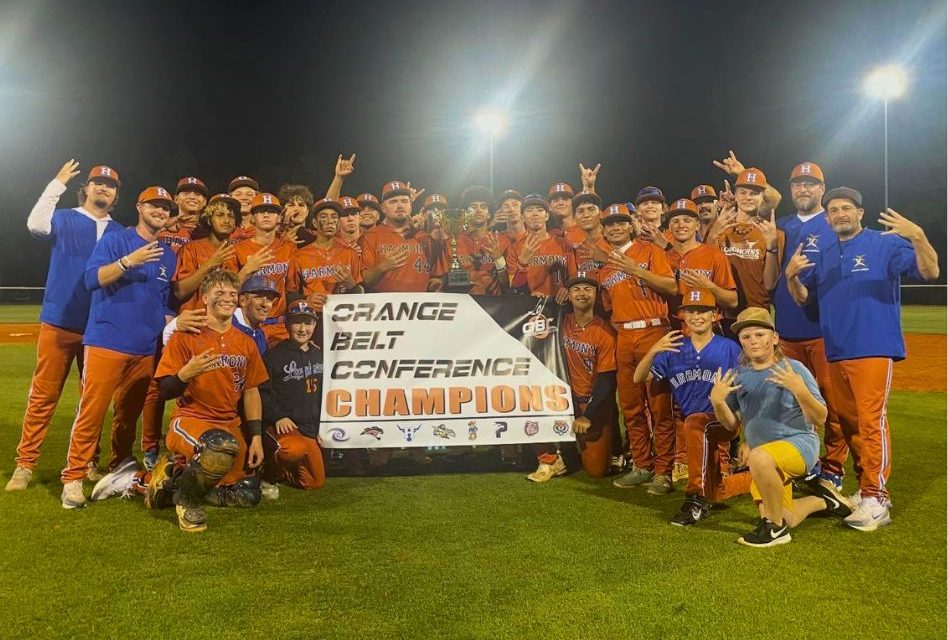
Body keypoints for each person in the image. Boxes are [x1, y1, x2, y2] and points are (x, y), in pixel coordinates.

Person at [785, 187, 939, 531]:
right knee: (848, 421)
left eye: (846, 208)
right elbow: (803, 298)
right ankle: (864, 490)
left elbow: (929, 272)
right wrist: (791, 276)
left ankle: (877, 498)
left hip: (872, 345)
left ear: (860, 213)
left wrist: (919, 236)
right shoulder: (825, 254)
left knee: (871, 420)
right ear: (827, 218)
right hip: (837, 349)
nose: (840, 214)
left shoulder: (883, 243)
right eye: (834, 210)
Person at [6, 161, 123, 491]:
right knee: (44, 396)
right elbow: (35, 224)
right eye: (97, 183)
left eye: (110, 185)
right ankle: (25, 464)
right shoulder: (65, 217)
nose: (103, 188)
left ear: (116, 194)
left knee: (94, 400)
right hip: (59, 322)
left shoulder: (120, 232)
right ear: (85, 188)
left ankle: (88, 462)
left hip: (99, 328)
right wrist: (56, 183)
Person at [59, 186, 178, 509]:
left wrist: (175, 324)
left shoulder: (169, 254)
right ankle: (73, 477)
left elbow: (162, 300)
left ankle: (119, 468)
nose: (160, 211)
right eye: (154, 205)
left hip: (144, 347)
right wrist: (128, 261)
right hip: (107, 340)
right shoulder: (116, 240)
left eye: (166, 207)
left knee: (128, 416)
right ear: (140, 207)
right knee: (92, 412)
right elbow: (92, 279)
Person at [709, 307, 851, 547]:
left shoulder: (793, 369)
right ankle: (823, 501)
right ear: (741, 341)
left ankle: (775, 530)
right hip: (763, 460)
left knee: (759, 458)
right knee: (788, 515)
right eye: (746, 337)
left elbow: (820, 418)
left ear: (774, 338)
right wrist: (717, 402)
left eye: (760, 335)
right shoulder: (737, 375)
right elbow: (731, 426)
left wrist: (800, 390)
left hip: (799, 446)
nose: (753, 341)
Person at [150, 269, 269, 532]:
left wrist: (256, 437)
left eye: (231, 294)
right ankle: (187, 500)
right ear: (204, 297)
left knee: (248, 495)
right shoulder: (186, 336)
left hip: (229, 424)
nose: (227, 298)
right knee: (218, 447)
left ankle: (172, 481)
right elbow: (165, 391)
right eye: (219, 293)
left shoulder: (245, 343)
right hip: (191, 421)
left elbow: (251, 391)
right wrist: (185, 374)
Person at [633, 288, 748, 520]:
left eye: (703, 311)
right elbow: (638, 378)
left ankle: (695, 498)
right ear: (683, 315)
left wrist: (750, 437)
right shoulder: (674, 348)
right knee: (718, 488)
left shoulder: (729, 348)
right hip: (694, 427)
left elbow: (748, 391)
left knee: (696, 423)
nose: (697, 317)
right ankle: (772, 474)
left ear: (715, 315)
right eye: (691, 311)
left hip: (724, 420)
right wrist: (654, 350)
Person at [771, 162, 847, 491]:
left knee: (831, 403)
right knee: (792, 404)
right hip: (786, 330)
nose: (803, 189)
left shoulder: (833, 223)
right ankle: (807, 461)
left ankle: (833, 467)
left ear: (822, 187)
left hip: (822, 331)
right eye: (797, 184)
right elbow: (762, 199)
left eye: (810, 183)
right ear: (790, 190)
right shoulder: (781, 225)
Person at [597, 204, 677, 494]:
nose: (615, 228)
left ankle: (664, 471)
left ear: (631, 226)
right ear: (603, 230)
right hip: (624, 337)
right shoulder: (604, 266)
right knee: (630, 406)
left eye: (620, 222)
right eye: (610, 224)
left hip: (654, 330)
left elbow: (671, 286)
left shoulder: (650, 251)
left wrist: (635, 270)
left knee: (659, 406)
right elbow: (608, 307)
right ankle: (642, 465)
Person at [527, 274, 617, 482]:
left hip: (588, 403)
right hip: (557, 399)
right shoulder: (558, 320)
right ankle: (550, 458)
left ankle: (575, 452)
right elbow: (530, 316)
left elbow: (606, 380)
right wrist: (537, 299)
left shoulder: (605, 332)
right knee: (530, 405)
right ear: (568, 294)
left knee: (596, 471)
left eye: (588, 289)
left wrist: (589, 415)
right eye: (576, 289)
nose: (582, 294)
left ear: (596, 295)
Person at [259, 300, 326, 491]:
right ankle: (268, 473)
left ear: (315, 325)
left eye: (308, 322)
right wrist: (277, 416)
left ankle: (284, 473)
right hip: (283, 425)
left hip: (309, 426)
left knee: (314, 482)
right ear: (287, 325)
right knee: (292, 450)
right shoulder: (274, 356)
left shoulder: (319, 354)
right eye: (297, 322)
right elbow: (262, 391)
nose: (303, 328)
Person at [232, 192, 299, 345]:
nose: (267, 214)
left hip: (279, 325)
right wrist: (247, 269)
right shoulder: (238, 249)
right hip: (245, 325)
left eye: (272, 211)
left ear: (279, 218)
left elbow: (291, 290)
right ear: (252, 218)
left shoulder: (289, 248)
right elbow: (230, 290)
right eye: (261, 211)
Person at [359, 180, 444, 293]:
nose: (400, 206)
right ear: (383, 208)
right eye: (393, 202)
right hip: (382, 306)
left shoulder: (424, 237)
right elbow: (363, 280)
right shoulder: (370, 236)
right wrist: (383, 267)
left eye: (404, 201)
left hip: (419, 307)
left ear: (410, 206)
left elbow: (435, 276)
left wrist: (436, 284)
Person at [295, 197, 363, 312]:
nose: (330, 221)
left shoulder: (350, 253)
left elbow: (362, 292)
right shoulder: (300, 255)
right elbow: (291, 293)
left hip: (344, 316)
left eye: (334, 217)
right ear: (315, 223)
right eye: (323, 216)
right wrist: (306, 299)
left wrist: (352, 285)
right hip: (313, 318)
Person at [509, 194, 570, 297]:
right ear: (522, 217)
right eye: (529, 210)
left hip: (560, 306)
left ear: (547, 216)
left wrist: (568, 288)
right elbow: (514, 288)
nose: (535, 214)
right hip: (530, 305)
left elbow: (573, 275)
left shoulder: (562, 243)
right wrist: (522, 264)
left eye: (539, 210)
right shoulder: (515, 247)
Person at [159, 177, 208, 253]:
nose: (192, 197)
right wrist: (164, 226)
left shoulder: (209, 232)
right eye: (186, 193)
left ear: (204, 202)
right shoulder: (160, 224)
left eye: (197, 194)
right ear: (176, 199)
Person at [278, 184, 315, 248]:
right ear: (283, 210)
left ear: (307, 212)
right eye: (291, 205)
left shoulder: (316, 237)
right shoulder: (274, 236)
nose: (297, 209)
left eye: (301, 205)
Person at [228, 175, 260, 242]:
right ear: (230, 199)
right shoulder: (222, 227)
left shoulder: (264, 227)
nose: (244, 198)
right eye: (238, 194)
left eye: (249, 194)